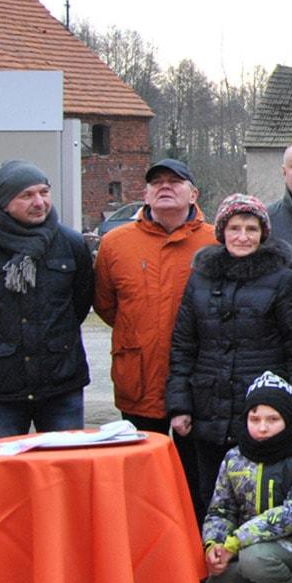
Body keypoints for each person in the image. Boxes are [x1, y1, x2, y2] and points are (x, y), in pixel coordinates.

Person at [167, 194, 292, 521]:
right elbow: (184, 345)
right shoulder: (200, 278)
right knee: (208, 493)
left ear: (263, 234)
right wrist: (179, 405)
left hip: (260, 408)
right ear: (222, 232)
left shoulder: (282, 279)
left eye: (251, 229)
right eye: (235, 228)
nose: (243, 237)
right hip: (207, 404)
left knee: (259, 494)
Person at [0, 160, 92, 438]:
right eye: (27, 195)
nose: (39, 202)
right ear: (4, 201)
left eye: (44, 192)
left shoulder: (71, 244)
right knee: (5, 473)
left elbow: (80, 304)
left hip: (61, 382)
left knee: (65, 469)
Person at [95, 158, 217, 438]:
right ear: (145, 194)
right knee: (143, 471)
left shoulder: (215, 243)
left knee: (193, 475)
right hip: (139, 379)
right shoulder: (115, 244)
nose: (165, 188)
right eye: (157, 183)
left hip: (198, 382)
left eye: (174, 182)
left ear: (193, 194)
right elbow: (105, 304)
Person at [195, 372, 292, 583]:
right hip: (243, 547)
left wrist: (234, 543)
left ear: (289, 420)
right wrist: (214, 544)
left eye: (273, 419)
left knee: (256, 559)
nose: (262, 427)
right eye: (255, 419)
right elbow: (220, 508)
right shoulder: (234, 457)